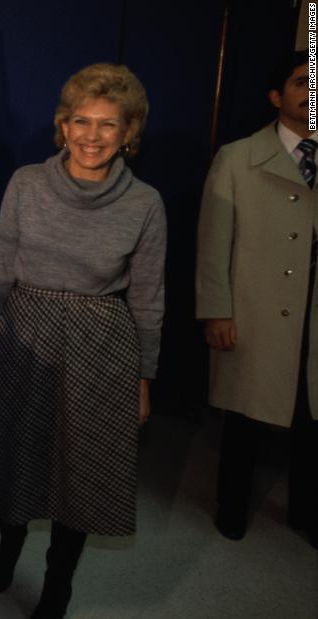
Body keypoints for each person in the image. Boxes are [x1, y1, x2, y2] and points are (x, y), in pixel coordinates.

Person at [0, 63, 166, 618]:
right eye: (81, 120)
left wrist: (143, 378)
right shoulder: (27, 183)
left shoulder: (145, 203)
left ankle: (59, 580)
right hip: (25, 331)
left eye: (109, 124)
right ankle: (9, 545)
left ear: (129, 133)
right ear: (62, 125)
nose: (92, 135)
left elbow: (150, 297)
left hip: (101, 344)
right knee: (16, 452)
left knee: (81, 468)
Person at [197, 51, 317, 548]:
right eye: (301, 81)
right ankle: (231, 507)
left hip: (314, 310)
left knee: (313, 419)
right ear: (276, 97)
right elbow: (212, 243)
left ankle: (308, 513)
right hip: (255, 308)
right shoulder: (238, 157)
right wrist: (217, 309)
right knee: (245, 419)